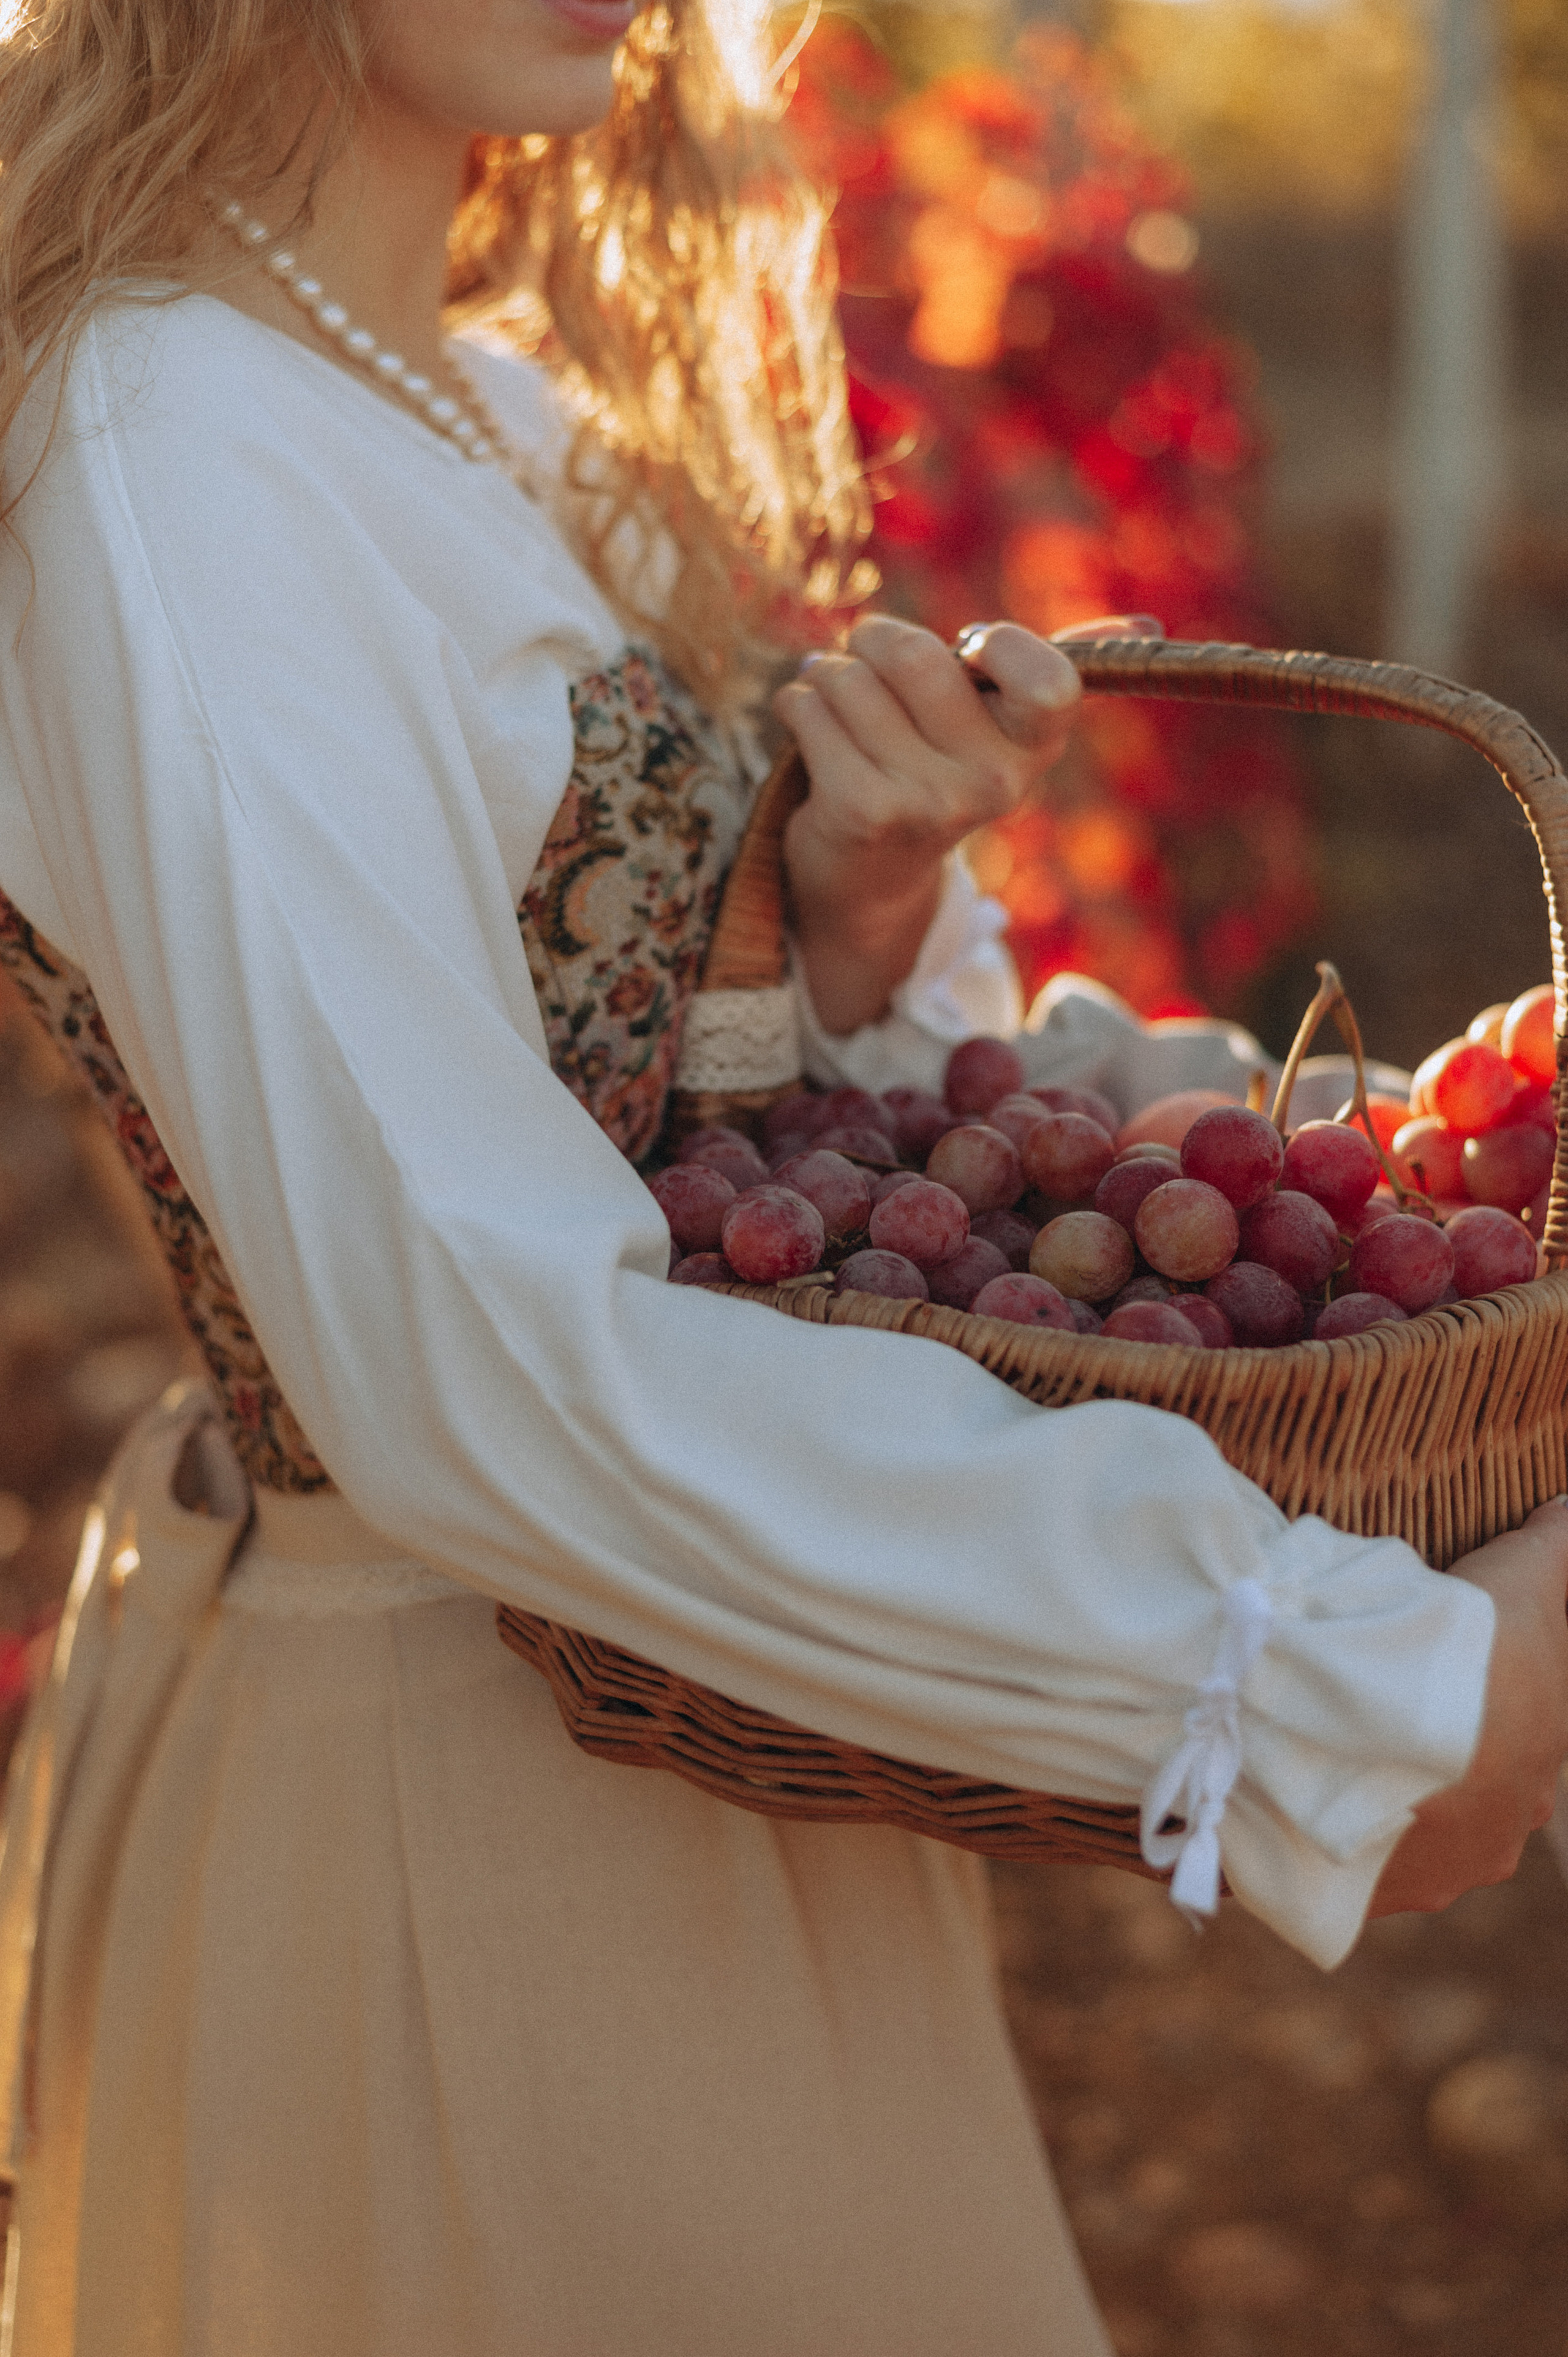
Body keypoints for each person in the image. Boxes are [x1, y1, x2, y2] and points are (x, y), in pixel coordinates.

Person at [0, 2, 1563, 2351]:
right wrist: (1338, 1689)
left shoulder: (473, 396)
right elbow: (464, 1350)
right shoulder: (162, 433)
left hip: (685, 1709)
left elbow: (625, 1133)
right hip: (465, 1814)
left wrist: (827, 924)